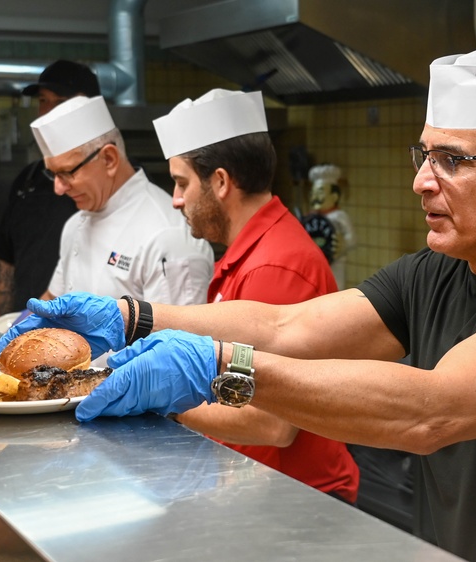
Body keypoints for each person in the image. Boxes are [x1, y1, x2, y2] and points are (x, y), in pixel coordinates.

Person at [0, 45, 476, 561]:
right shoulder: (437, 271)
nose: (420, 181)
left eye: (451, 161)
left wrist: (217, 368)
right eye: (423, 154)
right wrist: (132, 317)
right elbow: (290, 325)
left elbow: (432, 410)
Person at [149, 88, 359, 503]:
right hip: (260, 488)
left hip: (299, 500)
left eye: (181, 183)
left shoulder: (274, 268)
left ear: (221, 182)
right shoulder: (250, 254)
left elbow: (269, 422)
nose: (175, 200)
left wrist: (161, 397)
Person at [29, 95, 214, 306]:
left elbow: (177, 327)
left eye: (67, 172)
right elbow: (53, 300)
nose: (58, 188)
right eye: (53, 174)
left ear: (109, 159)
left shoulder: (167, 236)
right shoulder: (74, 226)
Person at [0, 60, 98, 321]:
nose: (47, 112)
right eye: (42, 101)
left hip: (84, 331)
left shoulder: (110, 185)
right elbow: (5, 263)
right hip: (27, 323)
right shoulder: (28, 179)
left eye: (59, 102)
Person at [302, 164, 355, 290]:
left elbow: (352, 238)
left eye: (320, 192)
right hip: (314, 265)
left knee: (334, 289)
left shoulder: (339, 216)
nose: (315, 197)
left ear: (334, 196)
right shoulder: (310, 219)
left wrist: (344, 244)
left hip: (335, 264)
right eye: (313, 193)